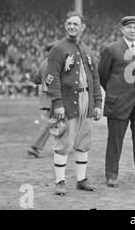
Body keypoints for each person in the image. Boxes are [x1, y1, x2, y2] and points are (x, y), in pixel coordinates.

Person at [46, 11, 102, 196]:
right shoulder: (58, 49)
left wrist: (97, 104)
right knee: (63, 141)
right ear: (65, 25)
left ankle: (81, 180)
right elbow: (51, 78)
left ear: (82, 27)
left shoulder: (87, 50)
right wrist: (58, 103)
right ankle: (60, 181)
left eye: (75, 24)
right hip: (67, 100)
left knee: (83, 141)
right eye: (69, 23)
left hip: (86, 100)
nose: (71, 26)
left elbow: (95, 79)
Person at [98, 16, 135, 188]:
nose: (132, 30)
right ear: (122, 29)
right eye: (129, 27)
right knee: (115, 140)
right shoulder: (111, 49)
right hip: (119, 102)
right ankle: (112, 175)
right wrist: (117, 92)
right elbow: (102, 75)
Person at [27, 40, 58, 158]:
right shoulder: (57, 63)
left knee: (59, 123)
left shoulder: (43, 63)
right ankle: (34, 147)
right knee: (51, 123)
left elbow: (35, 80)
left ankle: (62, 146)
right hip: (55, 98)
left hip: (46, 99)